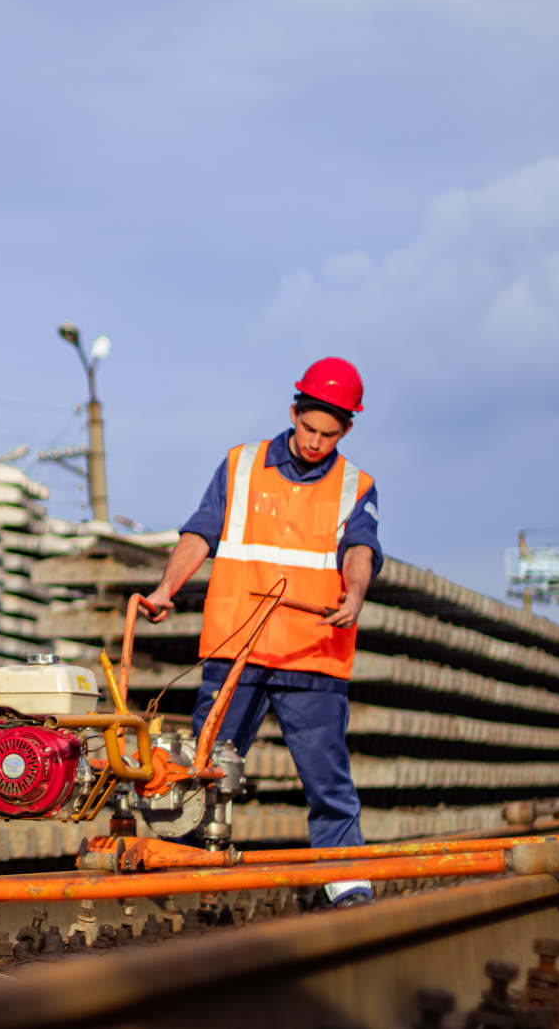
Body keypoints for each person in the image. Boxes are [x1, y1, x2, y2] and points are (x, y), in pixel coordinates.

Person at [141, 358, 380, 907]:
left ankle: (346, 884)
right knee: (201, 770)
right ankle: (186, 872)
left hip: (312, 655)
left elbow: (361, 549)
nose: (317, 442)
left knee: (328, 783)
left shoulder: (355, 486)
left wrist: (356, 592)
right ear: (293, 412)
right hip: (236, 652)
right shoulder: (240, 466)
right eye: (309, 428)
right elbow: (200, 532)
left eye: (329, 433)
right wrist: (165, 590)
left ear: (346, 429)